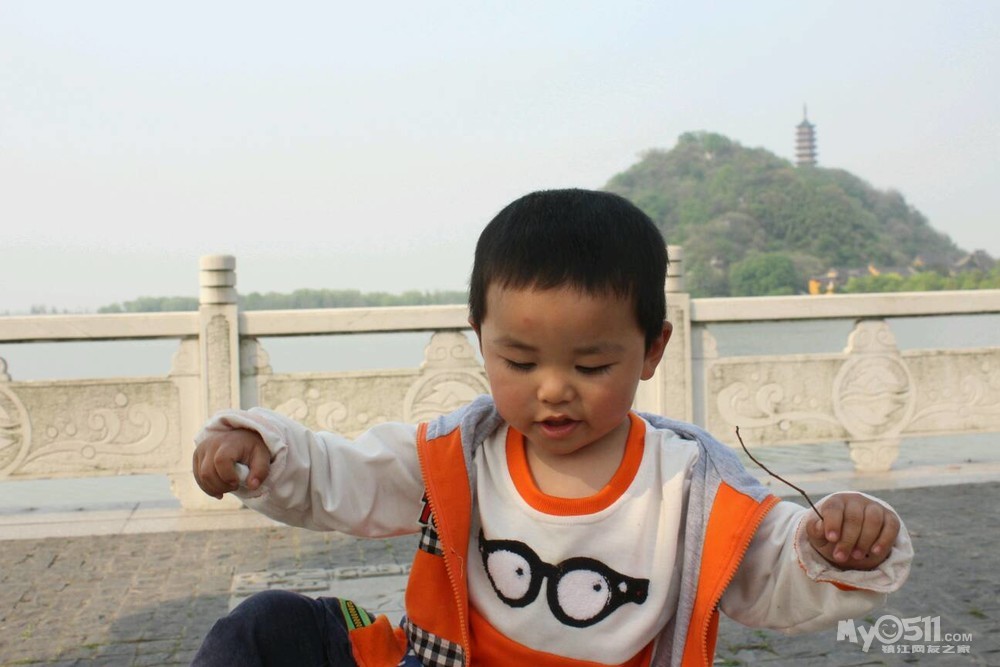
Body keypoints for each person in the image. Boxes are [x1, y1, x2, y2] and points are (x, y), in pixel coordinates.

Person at [191, 189, 912, 667]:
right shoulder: (459, 453)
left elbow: (770, 570)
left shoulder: (690, 488)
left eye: (591, 364)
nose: (554, 389)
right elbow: (343, 475)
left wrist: (834, 546)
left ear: (652, 349)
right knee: (266, 627)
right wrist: (263, 450)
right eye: (520, 360)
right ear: (480, 337)